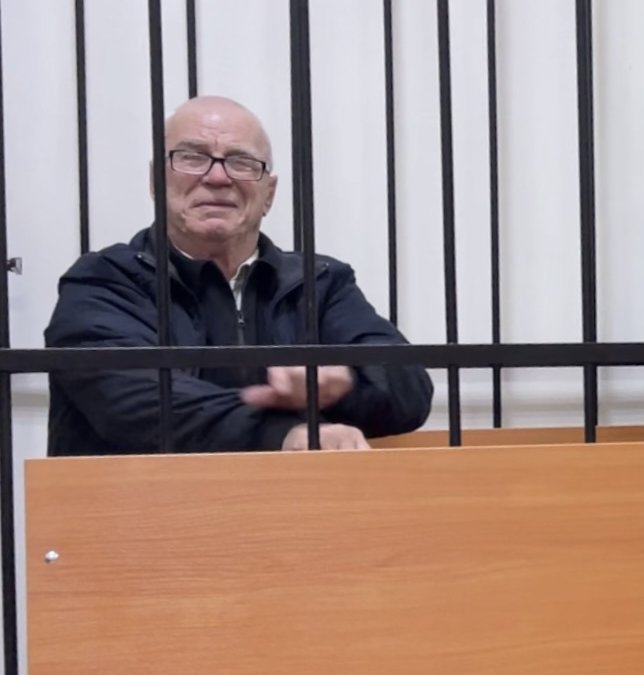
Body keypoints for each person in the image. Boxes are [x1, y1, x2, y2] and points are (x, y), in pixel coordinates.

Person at [44, 95, 433, 456]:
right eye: (192, 157)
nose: (217, 178)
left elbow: (410, 389)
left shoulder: (319, 282)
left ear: (269, 193)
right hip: (140, 503)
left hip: (294, 503)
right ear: (155, 181)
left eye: (241, 162)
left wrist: (345, 386)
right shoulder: (104, 282)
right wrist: (281, 433)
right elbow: (132, 400)